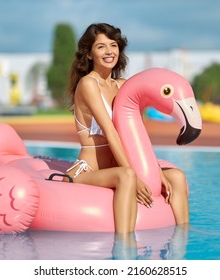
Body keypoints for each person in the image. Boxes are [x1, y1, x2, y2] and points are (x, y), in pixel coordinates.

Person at [65, 23, 189, 233]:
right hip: (89, 170)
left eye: (113, 45)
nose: (109, 51)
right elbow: (111, 132)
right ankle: (124, 247)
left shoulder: (123, 86)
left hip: (117, 165)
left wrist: (157, 171)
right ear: (89, 54)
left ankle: (183, 239)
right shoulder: (88, 84)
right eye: (101, 47)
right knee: (127, 177)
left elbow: (137, 133)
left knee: (176, 177)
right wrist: (133, 173)